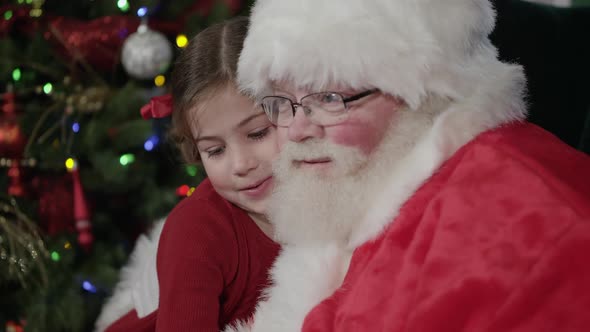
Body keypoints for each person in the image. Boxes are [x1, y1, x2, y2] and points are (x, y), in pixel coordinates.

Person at [226, 0, 590, 331]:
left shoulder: (518, 222)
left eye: (328, 98)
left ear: (423, 94)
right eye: (281, 102)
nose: (295, 131)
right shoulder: (364, 191)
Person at [94, 16, 280, 332]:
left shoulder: (327, 187)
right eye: (215, 150)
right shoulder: (196, 231)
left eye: (258, 133)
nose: (240, 164)